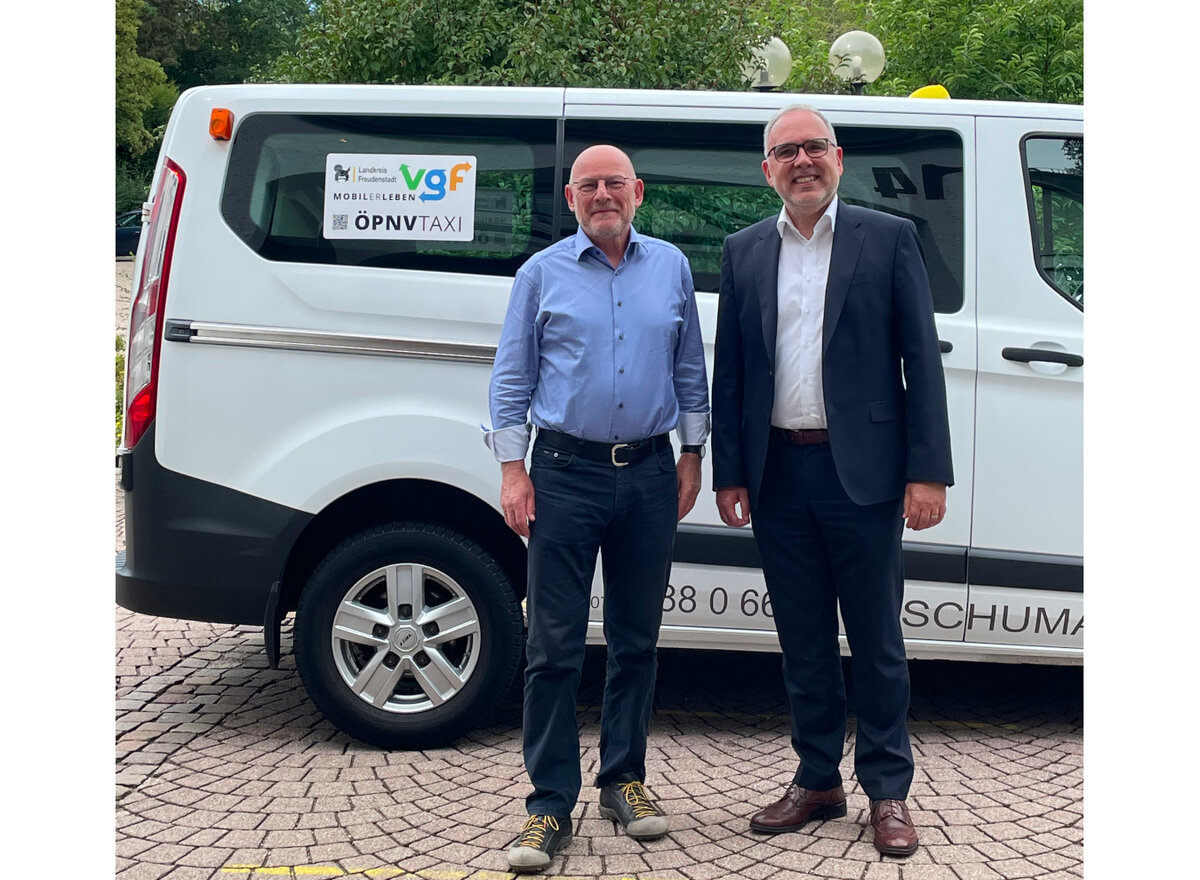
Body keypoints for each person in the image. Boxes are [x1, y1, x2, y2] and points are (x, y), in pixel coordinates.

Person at [710, 105, 953, 857]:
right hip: (780, 472)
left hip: (868, 477)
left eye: (814, 146)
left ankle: (888, 791)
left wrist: (927, 472)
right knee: (804, 640)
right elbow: (735, 372)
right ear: (767, 170)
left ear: (839, 158)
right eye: (786, 151)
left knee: (878, 640)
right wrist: (730, 471)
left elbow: (922, 361)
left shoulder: (888, 238)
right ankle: (817, 779)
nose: (802, 161)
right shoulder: (744, 251)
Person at [485, 144, 709, 874]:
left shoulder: (671, 266)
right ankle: (549, 804)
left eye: (615, 183)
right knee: (552, 647)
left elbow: (688, 368)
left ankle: (624, 781)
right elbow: (511, 376)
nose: (603, 194)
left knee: (636, 639)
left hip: (648, 470)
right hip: (562, 473)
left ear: (637, 192)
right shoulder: (540, 274)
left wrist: (692, 452)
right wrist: (514, 472)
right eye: (590, 186)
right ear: (572, 197)